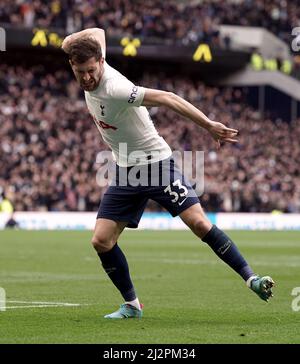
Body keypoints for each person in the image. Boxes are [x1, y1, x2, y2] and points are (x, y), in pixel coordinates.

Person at [62, 28, 274, 319]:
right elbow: (97, 31)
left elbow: (168, 97)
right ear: (72, 65)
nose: (86, 78)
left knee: (199, 224)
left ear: (101, 61)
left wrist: (208, 125)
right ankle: (132, 306)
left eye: (90, 71)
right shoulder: (88, 54)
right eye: (79, 72)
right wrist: (68, 43)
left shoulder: (115, 88)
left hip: (156, 164)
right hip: (124, 169)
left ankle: (253, 279)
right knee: (101, 240)